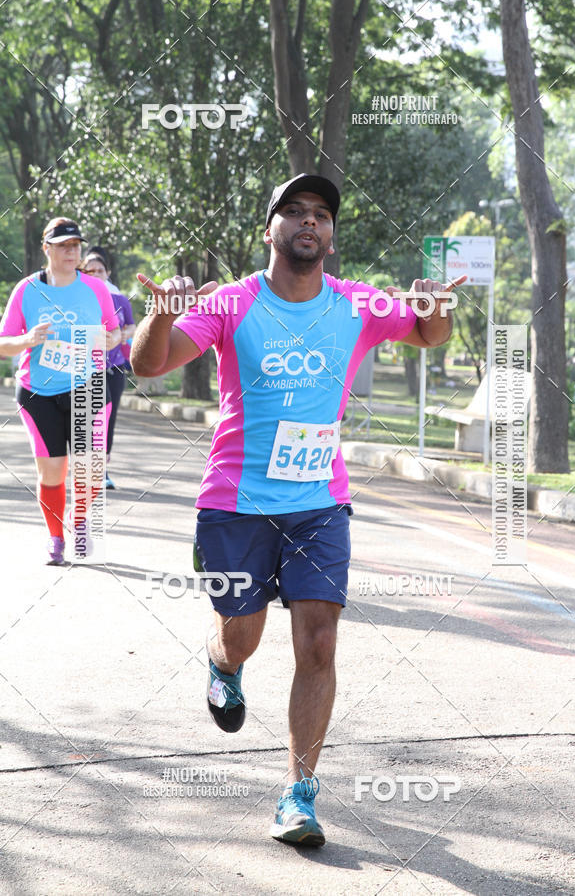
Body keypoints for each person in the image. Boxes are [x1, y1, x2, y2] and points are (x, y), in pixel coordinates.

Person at [131, 174, 463, 847]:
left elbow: (430, 335)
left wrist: (435, 307)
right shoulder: (231, 303)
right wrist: (161, 311)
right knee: (243, 634)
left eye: (321, 214)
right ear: (271, 229)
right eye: (295, 212)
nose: (310, 222)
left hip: (320, 504)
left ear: (331, 235)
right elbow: (149, 364)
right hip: (236, 504)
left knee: (319, 641)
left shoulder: (358, 304)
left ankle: (299, 794)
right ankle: (223, 664)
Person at [0, 216, 120, 564]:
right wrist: (27, 339)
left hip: (88, 387)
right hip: (39, 392)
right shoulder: (26, 290)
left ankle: (79, 521)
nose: (71, 251)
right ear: (46, 248)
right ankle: (55, 538)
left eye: (76, 245)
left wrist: (106, 339)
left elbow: (114, 332)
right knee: (52, 471)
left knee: (91, 469)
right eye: (64, 245)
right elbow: (3, 342)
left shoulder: (95, 288)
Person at [80, 251, 136, 489]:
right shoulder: (77, 299)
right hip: (82, 367)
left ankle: (101, 470)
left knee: (107, 418)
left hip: (113, 367)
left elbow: (132, 325)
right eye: (89, 271)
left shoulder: (119, 299)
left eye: (99, 270)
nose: (95, 275)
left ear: (108, 273)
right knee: (84, 418)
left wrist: (121, 335)